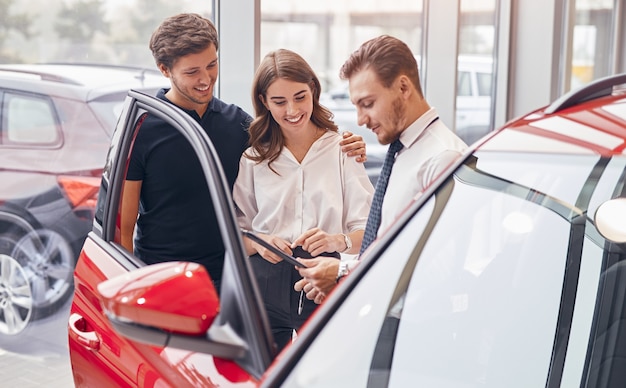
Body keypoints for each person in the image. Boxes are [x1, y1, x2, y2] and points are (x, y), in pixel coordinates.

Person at [119, 13, 367, 293]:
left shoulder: (238, 125)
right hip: (162, 278)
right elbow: (122, 229)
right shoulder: (142, 128)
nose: (205, 79)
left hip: (232, 279)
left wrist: (347, 144)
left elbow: (288, 145)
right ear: (165, 70)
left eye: (212, 65)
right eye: (192, 72)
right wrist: (131, 288)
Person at [295, 35, 468, 303]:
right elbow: (389, 244)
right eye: (356, 107)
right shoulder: (402, 151)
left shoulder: (443, 158)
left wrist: (343, 273)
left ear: (403, 87)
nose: (360, 120)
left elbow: (435, 267)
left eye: (367, 104)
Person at [232, 49, 374, 352]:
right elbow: (236, 233)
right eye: (279, 101)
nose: (292, 110)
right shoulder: (253, 159)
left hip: (321, 282)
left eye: (300, 97)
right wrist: (258, 242)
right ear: (263, 102)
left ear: (314, 91)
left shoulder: (343, 151)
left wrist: (336, 241)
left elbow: (370, 233)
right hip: (261, 287)